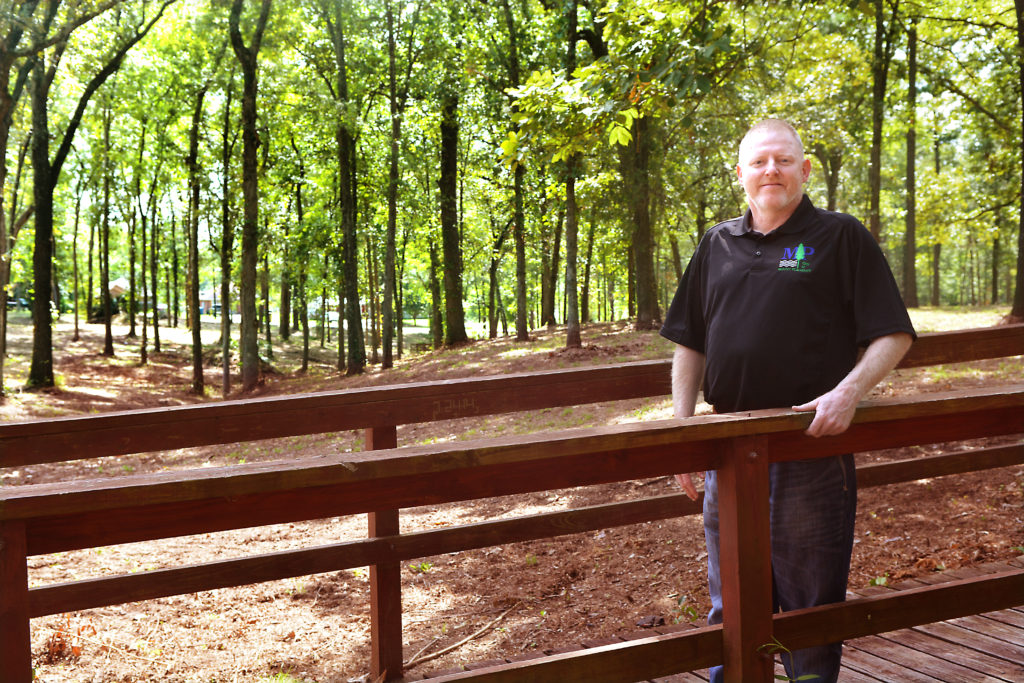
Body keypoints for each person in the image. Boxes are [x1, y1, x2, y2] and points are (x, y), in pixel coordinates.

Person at [659, 118, 915, 682]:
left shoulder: (840, 236)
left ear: (804, 169)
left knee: (809, 614)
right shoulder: (716, 243)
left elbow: (893, 332)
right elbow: (689, 341)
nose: (770, 170)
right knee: (731, 608)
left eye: (782, 160)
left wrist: (849, 391)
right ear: (741, 175)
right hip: (725, 449)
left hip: (807, 451)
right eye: (758, 161)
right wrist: (681, 433)